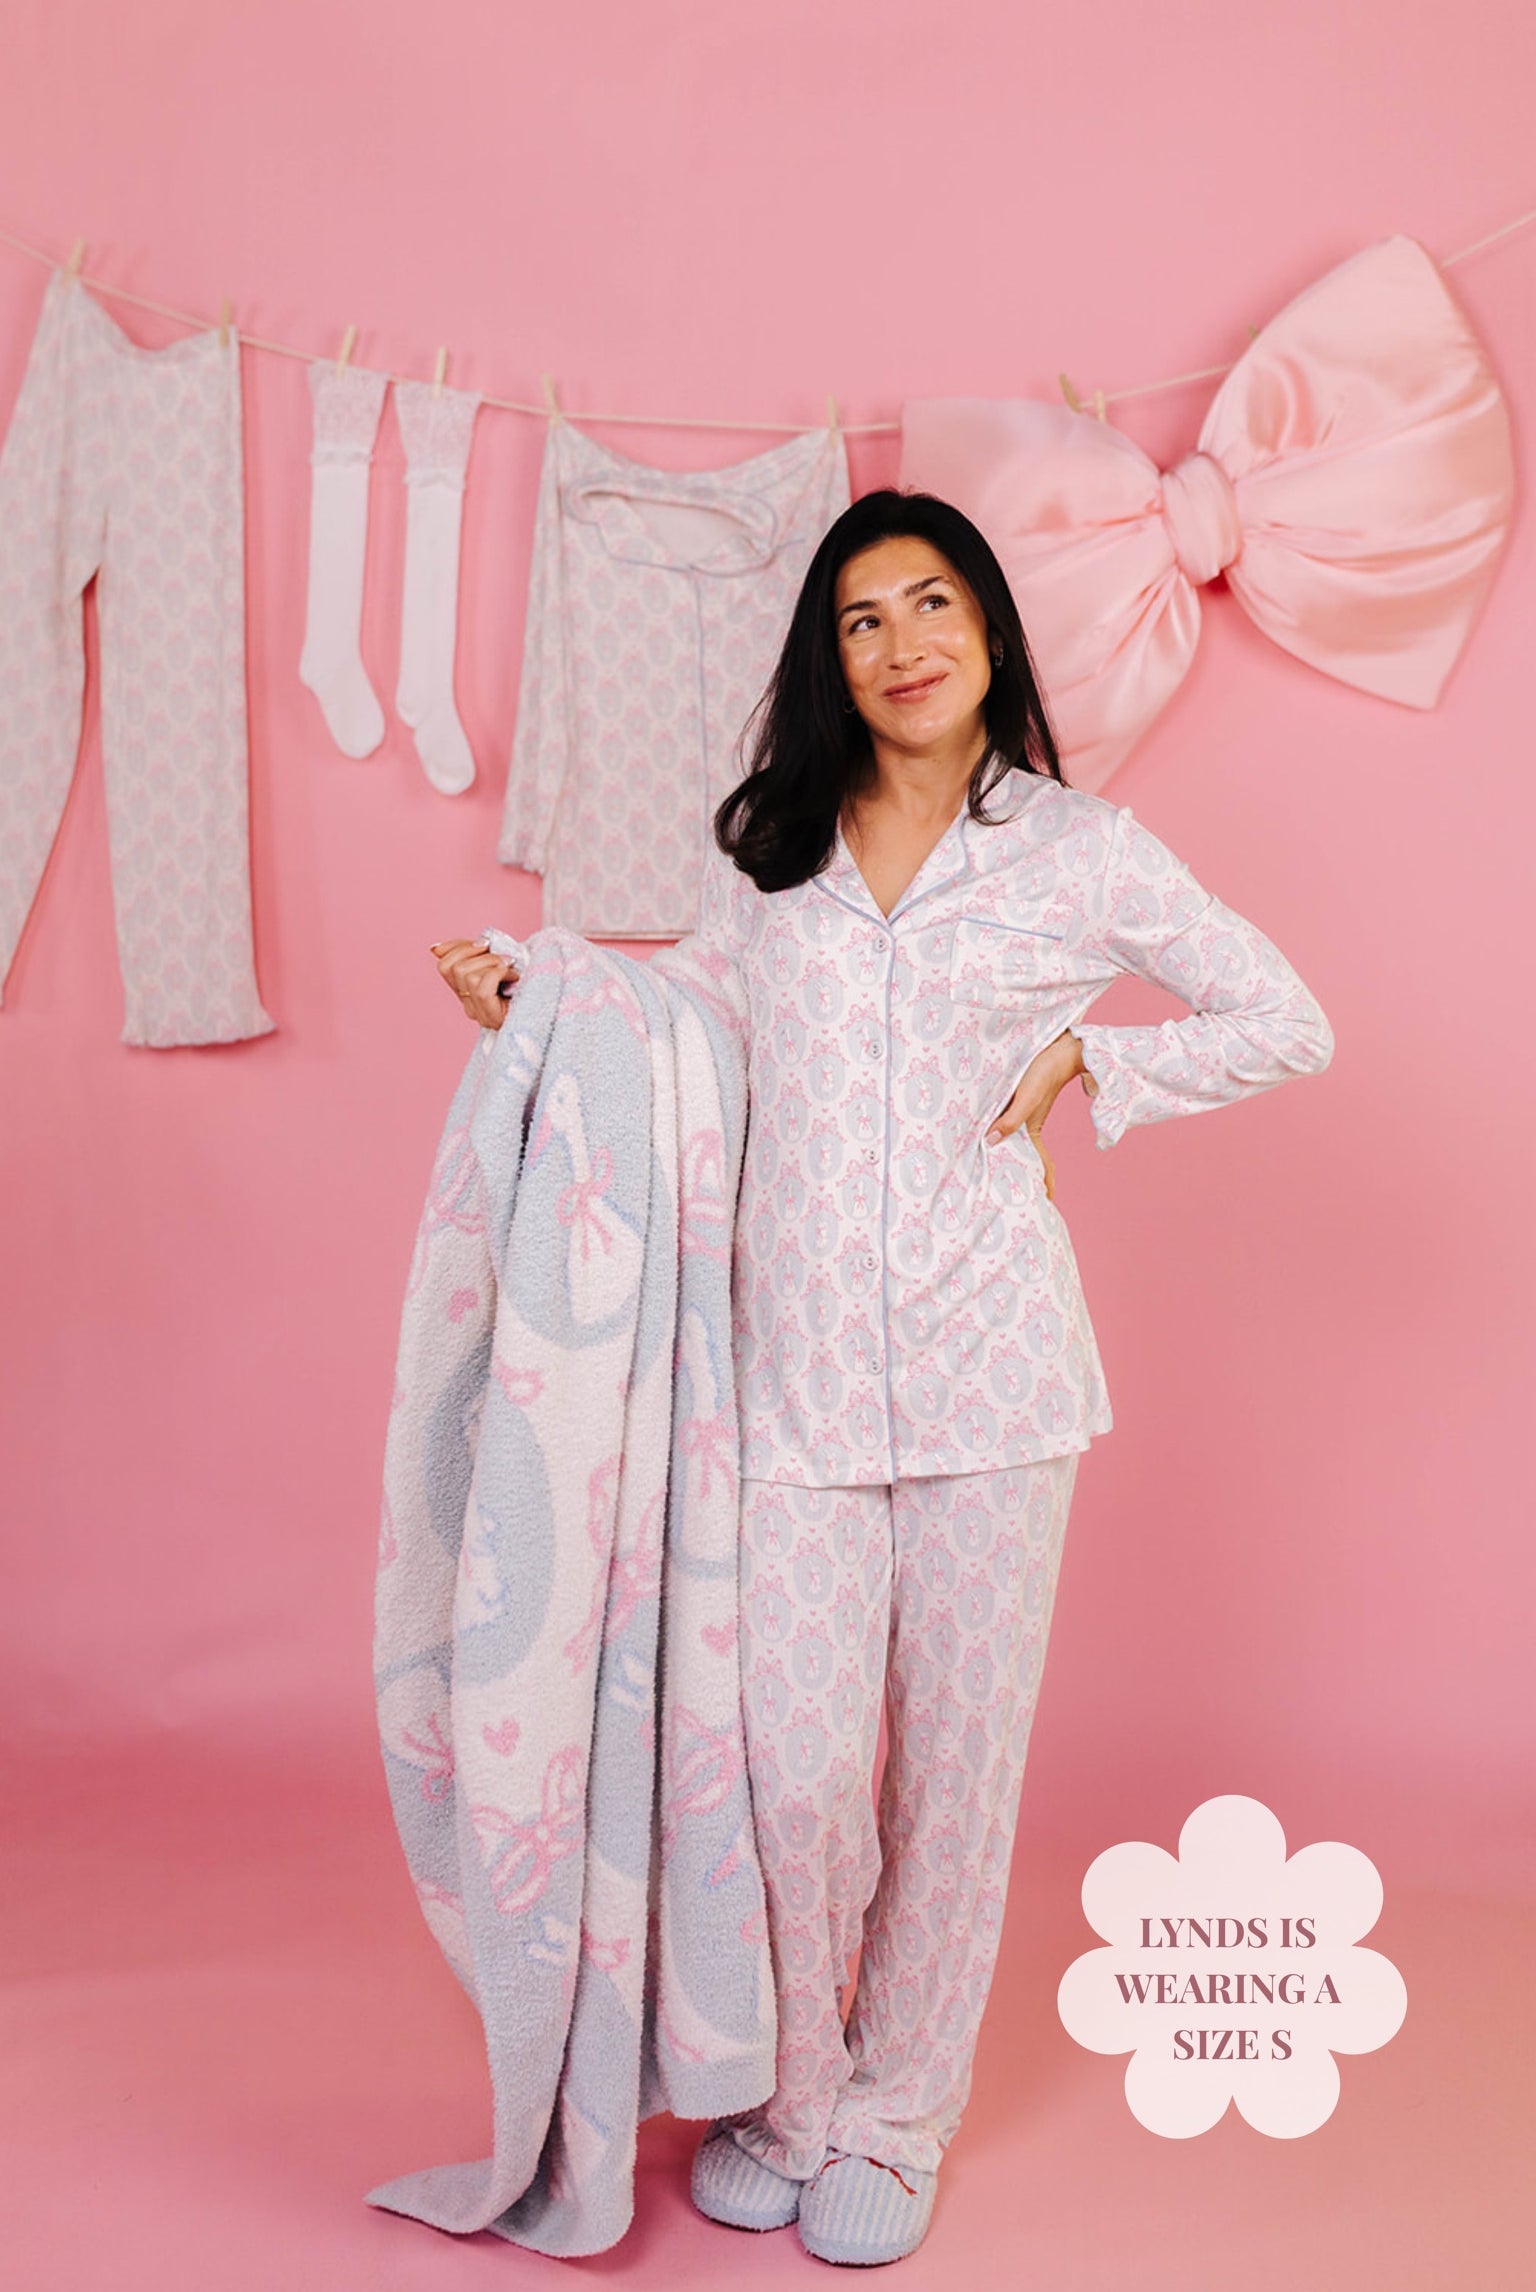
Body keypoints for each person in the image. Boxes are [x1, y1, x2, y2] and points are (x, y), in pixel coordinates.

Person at [430, 489, 1333, 2265]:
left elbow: (1285, 1016)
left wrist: (1094, 1063)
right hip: (798, 1391)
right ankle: (797, 2092)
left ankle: (899, 2117)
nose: (904, 642)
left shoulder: (1082, 851)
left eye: (934, 604)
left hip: (1001, 1385)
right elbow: (682, 1018)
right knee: (798, 1777)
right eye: (862, 617)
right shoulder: (777, 858)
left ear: (990, 631)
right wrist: (538, 991)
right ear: (827, 656)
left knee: (957, 1778)